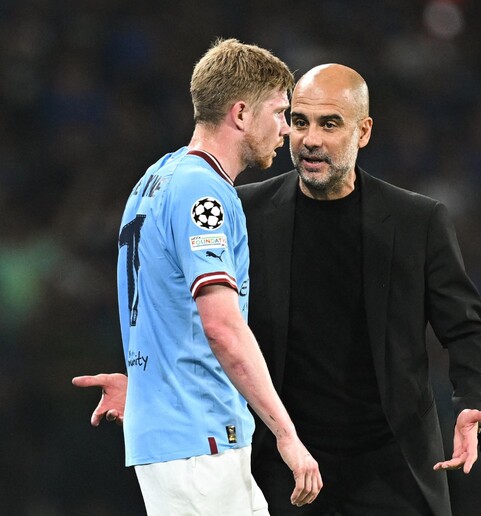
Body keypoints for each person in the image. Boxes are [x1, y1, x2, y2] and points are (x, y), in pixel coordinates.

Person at [75, 63, 481, 516]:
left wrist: (473, 401)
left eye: (329, 124)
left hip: (391, 470)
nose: (309, 138)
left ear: (363, 131)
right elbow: (193, 313)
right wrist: (149, 387)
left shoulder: (418, 222)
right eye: (298, 121)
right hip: (286, 467)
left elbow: (467, 327)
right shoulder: (243, 208)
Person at [72, 39, 322, 516]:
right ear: (242, 113)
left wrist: (146, 389)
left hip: (189, 432)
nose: (287, 129)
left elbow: (157, 300)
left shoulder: (157, 177)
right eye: (280, 112)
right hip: (197, 439)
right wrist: (287, 435)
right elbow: (222, 327)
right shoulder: (201, 192)